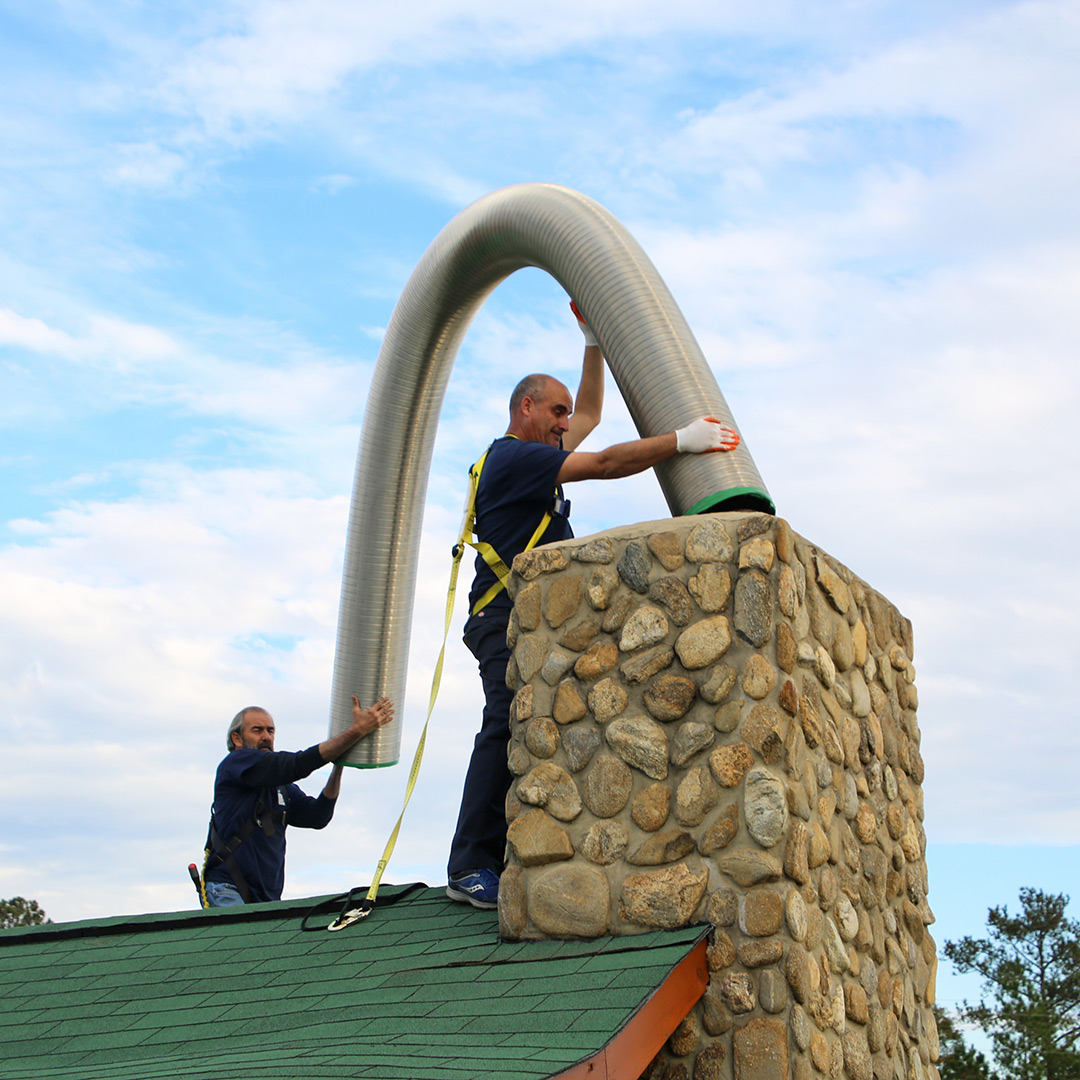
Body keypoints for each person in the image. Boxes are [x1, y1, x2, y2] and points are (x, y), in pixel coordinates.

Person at [446, 304, 740, 908]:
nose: (565, 423)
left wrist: (591, 343)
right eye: (554, 413)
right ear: (525, 407)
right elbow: (604, 462)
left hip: (518, 617)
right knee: (504, 720)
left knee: (529, 724)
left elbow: (593, 416)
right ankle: (468, 865)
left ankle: (506, 854)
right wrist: (682, 441)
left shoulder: (529, 455)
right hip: (501, 618)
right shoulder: (515, 458)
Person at [203, 695, 393, 906]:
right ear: (237, 739)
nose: (266, 736)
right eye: (257, 730)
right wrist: (356, 731)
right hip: (228, 888)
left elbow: (317, 816)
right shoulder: (235, 764)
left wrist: (339, 764)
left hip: (266, 899)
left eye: (270, 730)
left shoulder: (280, 788)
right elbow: (295, 765)